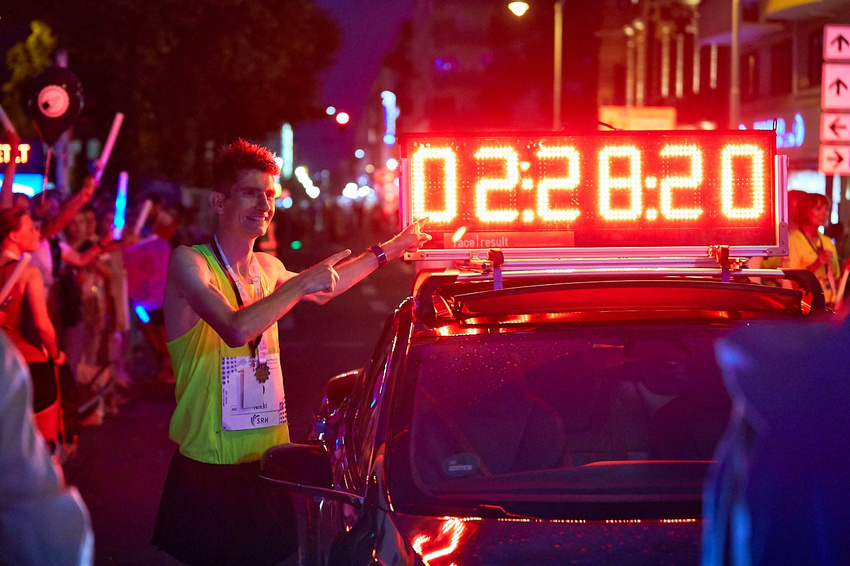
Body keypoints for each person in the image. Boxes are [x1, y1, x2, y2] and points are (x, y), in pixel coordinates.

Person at [152, 139, 430, 565]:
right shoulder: (190, 263)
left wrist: (391, 248)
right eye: (250, 192)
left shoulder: (268, 268)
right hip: (209, 467)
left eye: (269, 194)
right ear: (217, 201)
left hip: (268, 462)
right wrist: (301, 284)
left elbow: (328, 288)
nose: (264, 204)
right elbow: (234, 327)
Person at [0, 331, 93, 565]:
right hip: (32, 359)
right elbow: (41, 325)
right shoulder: (3, 359)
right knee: (38, 460)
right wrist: (57, 355)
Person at [781, 192, 841, 306]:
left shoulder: (827, 242)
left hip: (830, 304)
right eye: (818, 209)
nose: (825, 214)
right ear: (805, 211)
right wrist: (817, 263)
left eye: (826, 209)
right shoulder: (793, 241)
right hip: (806, 307)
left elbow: (836, 278)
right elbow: (791, 283)